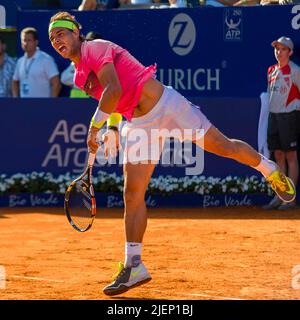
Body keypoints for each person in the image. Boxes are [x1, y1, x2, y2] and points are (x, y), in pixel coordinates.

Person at [48, 12, 296, 296]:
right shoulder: (80, 76)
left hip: (167, 106)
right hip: (139, 124)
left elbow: (114, 88)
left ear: (77, 33)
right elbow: (113, 101)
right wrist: (112, 129)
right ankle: (135, 264)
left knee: (225, 146)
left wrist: (94, 128)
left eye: (62, 33)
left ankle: (270, 171)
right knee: (132, 193)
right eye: (53, 38)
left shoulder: (96, 47)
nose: (57, 40)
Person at [263, 36, 299, 211]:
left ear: (290, 52)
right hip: (274, 117)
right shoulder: (271, 70)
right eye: (277, 48)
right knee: (277, 156)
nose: (278, 51)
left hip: (289, 116)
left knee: (290, 155)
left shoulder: (295, 71)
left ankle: (290, 200)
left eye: (283, 49)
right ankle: (280, 195)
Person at [12, 27, 61, 98]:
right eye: (24, 40)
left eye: (29, 40)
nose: (25, 43)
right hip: (23, 107)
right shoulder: (20, 61)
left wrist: (50, 104)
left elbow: (56, 84)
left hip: (42, 107)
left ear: (36, 42)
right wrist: (15, 99)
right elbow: (14, 81)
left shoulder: (46, 59)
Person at [61, 31, 102, 98]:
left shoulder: (105, 60)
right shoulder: (78, 59)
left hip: (96, 101)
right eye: (89, 42)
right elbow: (64, 78)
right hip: (77, 102)